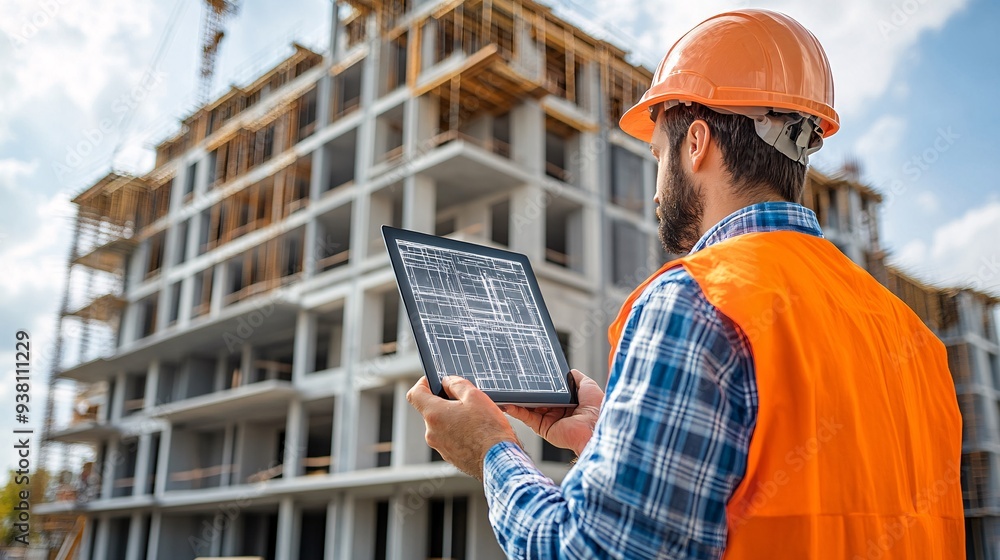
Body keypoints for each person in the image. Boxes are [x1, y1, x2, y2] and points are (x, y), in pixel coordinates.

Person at [406, 9, 964, 559]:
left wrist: (491, 451)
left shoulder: (698, 300)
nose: (654, 189)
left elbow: (588, 552)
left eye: (656, 154)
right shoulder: (912, 336)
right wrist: (607, 438)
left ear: (695, 143)